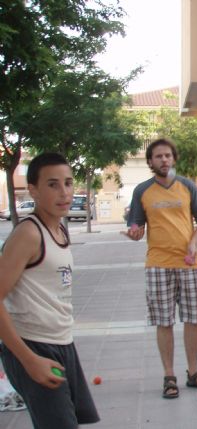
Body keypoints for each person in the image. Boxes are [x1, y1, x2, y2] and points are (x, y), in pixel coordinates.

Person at [0, 153, 100, 428]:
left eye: (68, 183)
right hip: (34, 346)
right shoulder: (29, 234)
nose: (64, 192)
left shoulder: (59, 229)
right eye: (53, 184)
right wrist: (29, 359)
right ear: (33, 189)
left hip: (61, 343)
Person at [125, 138, 197, 399]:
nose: (164, 160)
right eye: (158, 156)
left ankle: (194, 372)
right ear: (150, 162)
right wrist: (134, 233)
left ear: (173, 159)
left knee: (193, 318)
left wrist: (193, 241)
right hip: (158, 265)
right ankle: (169, 376)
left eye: (167, 156)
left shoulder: (187, 186)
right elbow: (137, 226)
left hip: (190, 264)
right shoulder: (142, 191)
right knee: (163, 321)